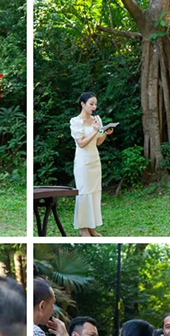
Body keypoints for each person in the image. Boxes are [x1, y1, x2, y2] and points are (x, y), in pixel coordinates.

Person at [70, 92, 114, 237]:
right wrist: (94, 131)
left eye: (95, 104)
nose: (94, 107)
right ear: (82, 104)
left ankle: (92, 227)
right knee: (83, 193)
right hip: (83, 161)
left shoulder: (97, 119)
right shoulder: (75, 121)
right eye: (91, 104)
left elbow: (98, 142)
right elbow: (81, 143)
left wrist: (104, 134)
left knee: (95, 193)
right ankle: (83, 228)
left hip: (95, 159)